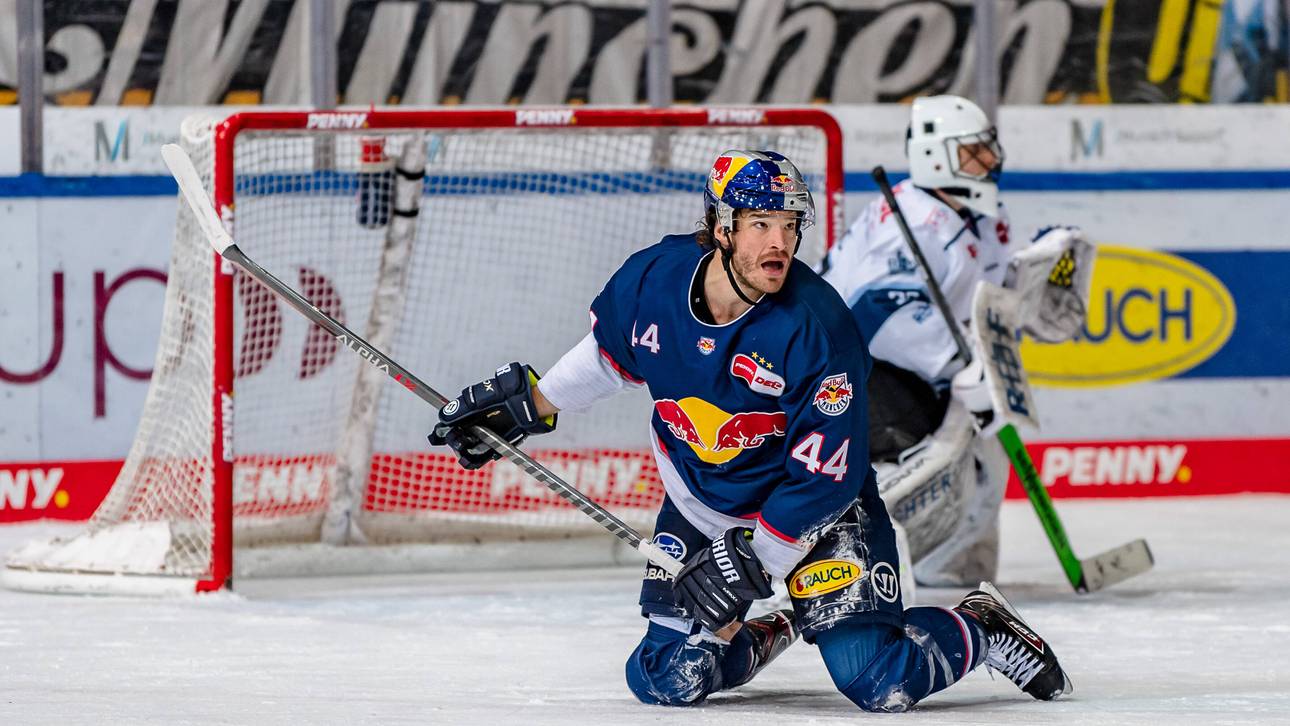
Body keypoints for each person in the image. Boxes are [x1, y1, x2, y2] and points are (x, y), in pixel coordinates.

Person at [429, 150, 1071, 711]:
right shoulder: (653, 280)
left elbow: (829, 475)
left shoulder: (817, 327)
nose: (779, 242)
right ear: (721, 228)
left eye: (790, 225)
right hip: (701, 504)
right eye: (761, 223)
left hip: (819, 520)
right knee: (664, 677)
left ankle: (981, 625)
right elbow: (609, 357)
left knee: (879, 681)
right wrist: (529, 406)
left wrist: (756, 563)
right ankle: (771, 629)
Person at [822, 95, 1094, 587]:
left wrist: (1037, 271)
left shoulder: (981, 211)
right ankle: (848, 560)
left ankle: (953, 567)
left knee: (984, 450)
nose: (990, 161)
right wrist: (954, 362)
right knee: (924, 457)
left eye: (987, 150)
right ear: (937, 157)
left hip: (916, 370)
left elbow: (993, 294)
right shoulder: (911, 219)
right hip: (851, 373)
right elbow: (874, 315)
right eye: (975, 152)